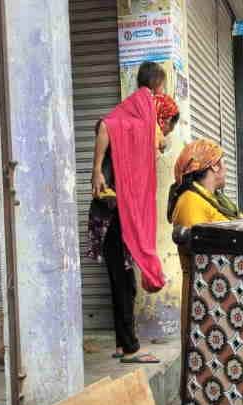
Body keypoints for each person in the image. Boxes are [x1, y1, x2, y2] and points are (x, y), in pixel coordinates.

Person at [88, 61, 175, 364]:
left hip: (112, 210)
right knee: (124, 282)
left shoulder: (137, 115)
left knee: (118, 279)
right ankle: (131, 349)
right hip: (114, 212)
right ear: (156, 86)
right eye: (161, 88)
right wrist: (97, 170)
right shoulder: (135, 112)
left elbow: (157, 142)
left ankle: (121, 343)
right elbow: (105, 126)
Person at [168, 139, 240, 366]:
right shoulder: (190, 201)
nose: (227, 168)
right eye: (224, 163)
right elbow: (203, 254)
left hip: (219, 293)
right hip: (204, 297)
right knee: (203, 363)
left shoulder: (214, 199)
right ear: (214, 166)